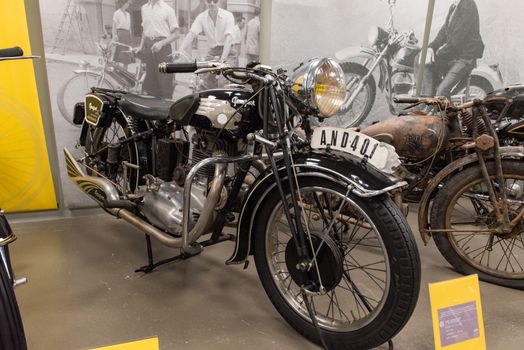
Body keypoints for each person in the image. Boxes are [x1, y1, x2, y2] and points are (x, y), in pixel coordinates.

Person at [419, 0, 484, 98]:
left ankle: (448, 112)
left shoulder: (467, 4)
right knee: (422, 60)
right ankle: (426, 100)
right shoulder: (454, 6)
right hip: (455, 55)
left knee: (441, 92)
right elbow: (444, 31)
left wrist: (438, 53)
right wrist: (431, 47)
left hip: (465, 58)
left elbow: (457, 39)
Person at [134, 0, 179, 98]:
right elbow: (145, 31)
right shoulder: (144, 8)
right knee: (150, 84)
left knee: (165, 84)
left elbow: (176, 34)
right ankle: (152, 111)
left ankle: (166, 110)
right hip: (149, 48)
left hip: (163, 49)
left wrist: (161, 43)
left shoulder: (167, 9)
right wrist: (141, 46)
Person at [179, 0, 235, 64]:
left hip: (229, 52)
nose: (212, 3)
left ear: (219, 2)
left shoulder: (228, 16)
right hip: (213, 52)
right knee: (203, 72)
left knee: (225, 72)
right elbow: (191, 34)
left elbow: (229, 39)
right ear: (205, 2)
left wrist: (222, 60)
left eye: (215, 1)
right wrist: (180, 50)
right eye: (209, 1)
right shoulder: (201, 17)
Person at [111, 0, 133, 69]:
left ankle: (125, 74)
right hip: (120, 35)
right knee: (118, 55)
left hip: (127, 35)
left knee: (126, 57)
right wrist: (114, 36)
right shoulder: (117, 13)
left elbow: (129, 28)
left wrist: (130, 38)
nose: (128, 4)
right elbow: (114, 26)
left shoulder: (128, 14)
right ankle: (117, 73)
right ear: (122, 3)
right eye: (127, 3)